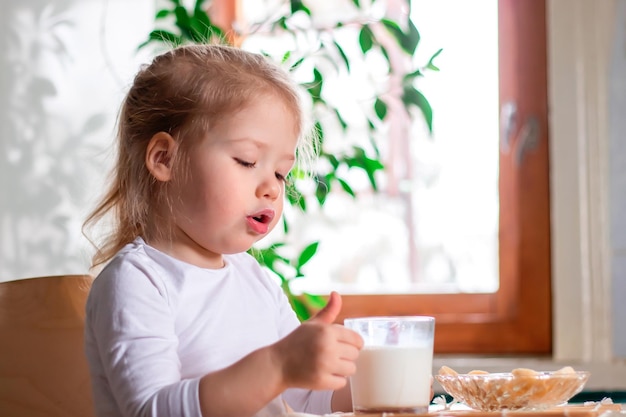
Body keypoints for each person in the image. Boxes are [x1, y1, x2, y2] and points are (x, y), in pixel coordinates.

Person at [82, 43, 364, 417]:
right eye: (247, 160)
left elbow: (306, 397)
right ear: (165, 158)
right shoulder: (138, 282)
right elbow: (152, 409)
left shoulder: (258, 282)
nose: (273, 187)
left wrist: (371, 385)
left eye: (281, 172)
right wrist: (277, 365)